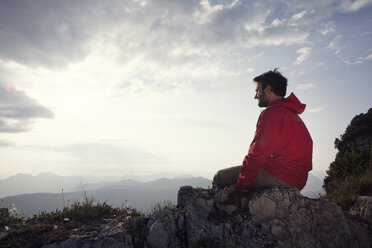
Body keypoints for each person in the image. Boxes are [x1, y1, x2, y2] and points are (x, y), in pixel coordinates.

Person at [212, 69, 313, 192]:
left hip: (281, 176)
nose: (255, 96)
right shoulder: (290, 114)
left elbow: (257, 153)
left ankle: (225, 208)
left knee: (220, 177)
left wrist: (240, 185)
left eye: (257, 91)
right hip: (297, 179)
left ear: (268, 89)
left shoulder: (272, 114)